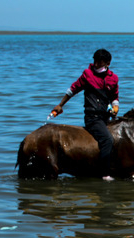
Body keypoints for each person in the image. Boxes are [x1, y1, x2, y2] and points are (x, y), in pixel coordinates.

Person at [50, 49, 120, 177]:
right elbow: (72, 89)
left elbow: (115, 97)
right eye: (95, 61)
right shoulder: (87, 74)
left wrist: (115, 108)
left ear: (107, 64)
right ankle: (105, 174)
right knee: (108, 140)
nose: (96, 64)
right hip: (92, 117)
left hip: (106, 117)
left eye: (100, 62)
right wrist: (60, 105)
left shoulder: (113, 79)